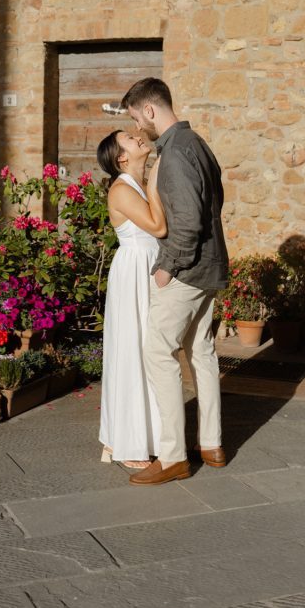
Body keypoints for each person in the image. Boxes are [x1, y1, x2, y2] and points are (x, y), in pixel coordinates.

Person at [120, 77, 229, 485]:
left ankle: (171, 458)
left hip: (187, 270)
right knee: (201, 351)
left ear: (150, 110)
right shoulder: (197, 143)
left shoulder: (178, 152)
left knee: (157, 352)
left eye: (136, 117)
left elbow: (188, 221)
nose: (138, 128)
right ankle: (212, 444)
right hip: (210, 266)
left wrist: (169, 267)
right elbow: (213, 202)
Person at [96, 129, 167, 469]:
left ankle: (123, 439)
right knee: (132, 350)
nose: (138, 136)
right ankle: (127, 442)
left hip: (146, 268)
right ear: (121, 157)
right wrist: (154, 179)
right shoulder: (122, 188)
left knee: (147, 352)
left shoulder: (134, 185)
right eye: (128, 138)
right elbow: (157, 226)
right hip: (134, 271)